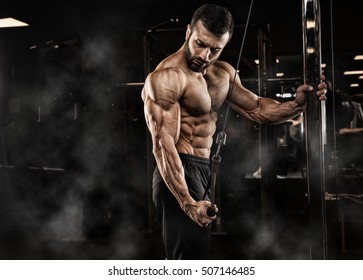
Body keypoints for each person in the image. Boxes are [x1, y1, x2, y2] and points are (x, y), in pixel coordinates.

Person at [141, 4, 327, 259]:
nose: (205, 55)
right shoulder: (166, 78)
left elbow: (257, 108)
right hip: (176, 170)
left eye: (214, 49)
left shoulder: (223, 74)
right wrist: (188, 202)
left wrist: (296, 106)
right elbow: (163, 145)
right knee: (187, 261)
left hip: (204, 170)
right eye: (200, 43)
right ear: (188, 32)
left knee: (195, 255)